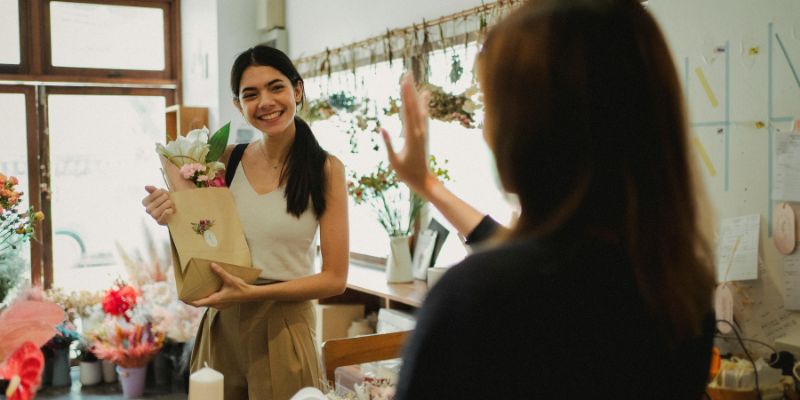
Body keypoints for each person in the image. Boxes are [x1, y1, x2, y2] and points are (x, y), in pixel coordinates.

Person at [381, 0, 716, 398]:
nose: (487, 130)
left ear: (534, 128)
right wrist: (427, 184)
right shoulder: (679, 290)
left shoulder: (478, 300)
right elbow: (540, 256)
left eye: (493, 106)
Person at [142, 45, 349, 400]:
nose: (266, 101)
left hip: (284, 326)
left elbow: (335, 279)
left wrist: (254, 293)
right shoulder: (224, 161)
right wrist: (168, 214)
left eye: (276, 87)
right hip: (222, 326)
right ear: (239, 106)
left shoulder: (326, 169)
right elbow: (202, 233)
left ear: (297, 90)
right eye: (251, 94)